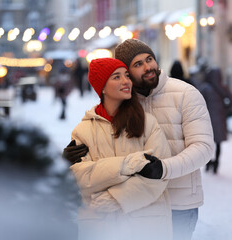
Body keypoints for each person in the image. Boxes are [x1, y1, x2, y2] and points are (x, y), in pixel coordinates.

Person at [63, 39, 215, 240]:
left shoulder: (185, 94)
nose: (148, 67)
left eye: (149, 59)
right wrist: (70, 157)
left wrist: (163, 168)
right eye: (137, 64)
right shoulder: (124, 99)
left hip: (179, 203)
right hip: (137, 207)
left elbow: (203, 148)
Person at [69, 58, 173, 240]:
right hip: (100, 227)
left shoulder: (147, 123)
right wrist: (129, 164)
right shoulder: (83, 131)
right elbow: (80, 177)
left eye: (126, 75)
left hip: (146, 225)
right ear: (101, 87)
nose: (126, 81)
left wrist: (115, 198)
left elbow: (158, 174)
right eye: (116, 77)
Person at [198, 66, 232, 174]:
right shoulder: (223, 88)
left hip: (207, 119)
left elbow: (199, 102)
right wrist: (225, 110)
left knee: (207, 142)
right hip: (220, 119)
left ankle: (208, 162)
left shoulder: (205, 88)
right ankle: (216, 163)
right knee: (218, 143)